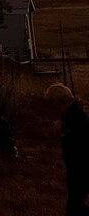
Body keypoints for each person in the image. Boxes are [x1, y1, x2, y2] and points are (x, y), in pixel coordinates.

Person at [46, 83, 89, 216]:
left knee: (74, 208)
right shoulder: (73, 116)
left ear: (59, 102)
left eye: (51, 104)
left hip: (81, 169)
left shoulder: (75, 118)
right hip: (78, 169)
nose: (51, 109)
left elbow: (78, 145)